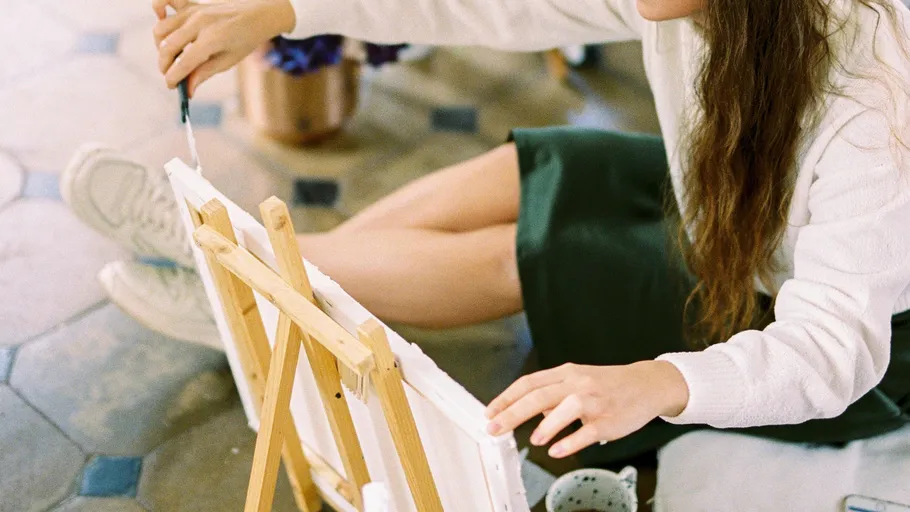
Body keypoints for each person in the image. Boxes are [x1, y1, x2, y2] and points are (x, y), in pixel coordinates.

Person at [62, 0, 910, 466]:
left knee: (545, 252)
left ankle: (237, 266)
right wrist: (284, 8)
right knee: (534, 168)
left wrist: (657, 382)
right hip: (732, 203)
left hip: (831, 339)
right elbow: (497, 3)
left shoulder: (873, 100)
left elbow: (835, 347)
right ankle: (268, 301)